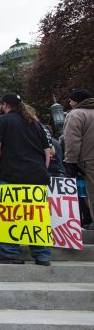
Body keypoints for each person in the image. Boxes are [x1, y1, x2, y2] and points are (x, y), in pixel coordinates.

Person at [0, 93, 52, 266]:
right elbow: (48, 151)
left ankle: (10, 253)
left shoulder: (1, 121)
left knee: (10, 214)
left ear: (5, 105)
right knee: (36, 216)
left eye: (0, 104)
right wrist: (42, 169)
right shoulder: (36, 123)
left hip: (12, 173)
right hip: (36, 174)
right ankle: (42, 255)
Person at [63, 88, 94, 230]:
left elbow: (72, 141)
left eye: (71, 100)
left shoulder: (76, 114)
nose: (69, 103)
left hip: (89, 160)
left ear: (76, 101)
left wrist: (70, 162)